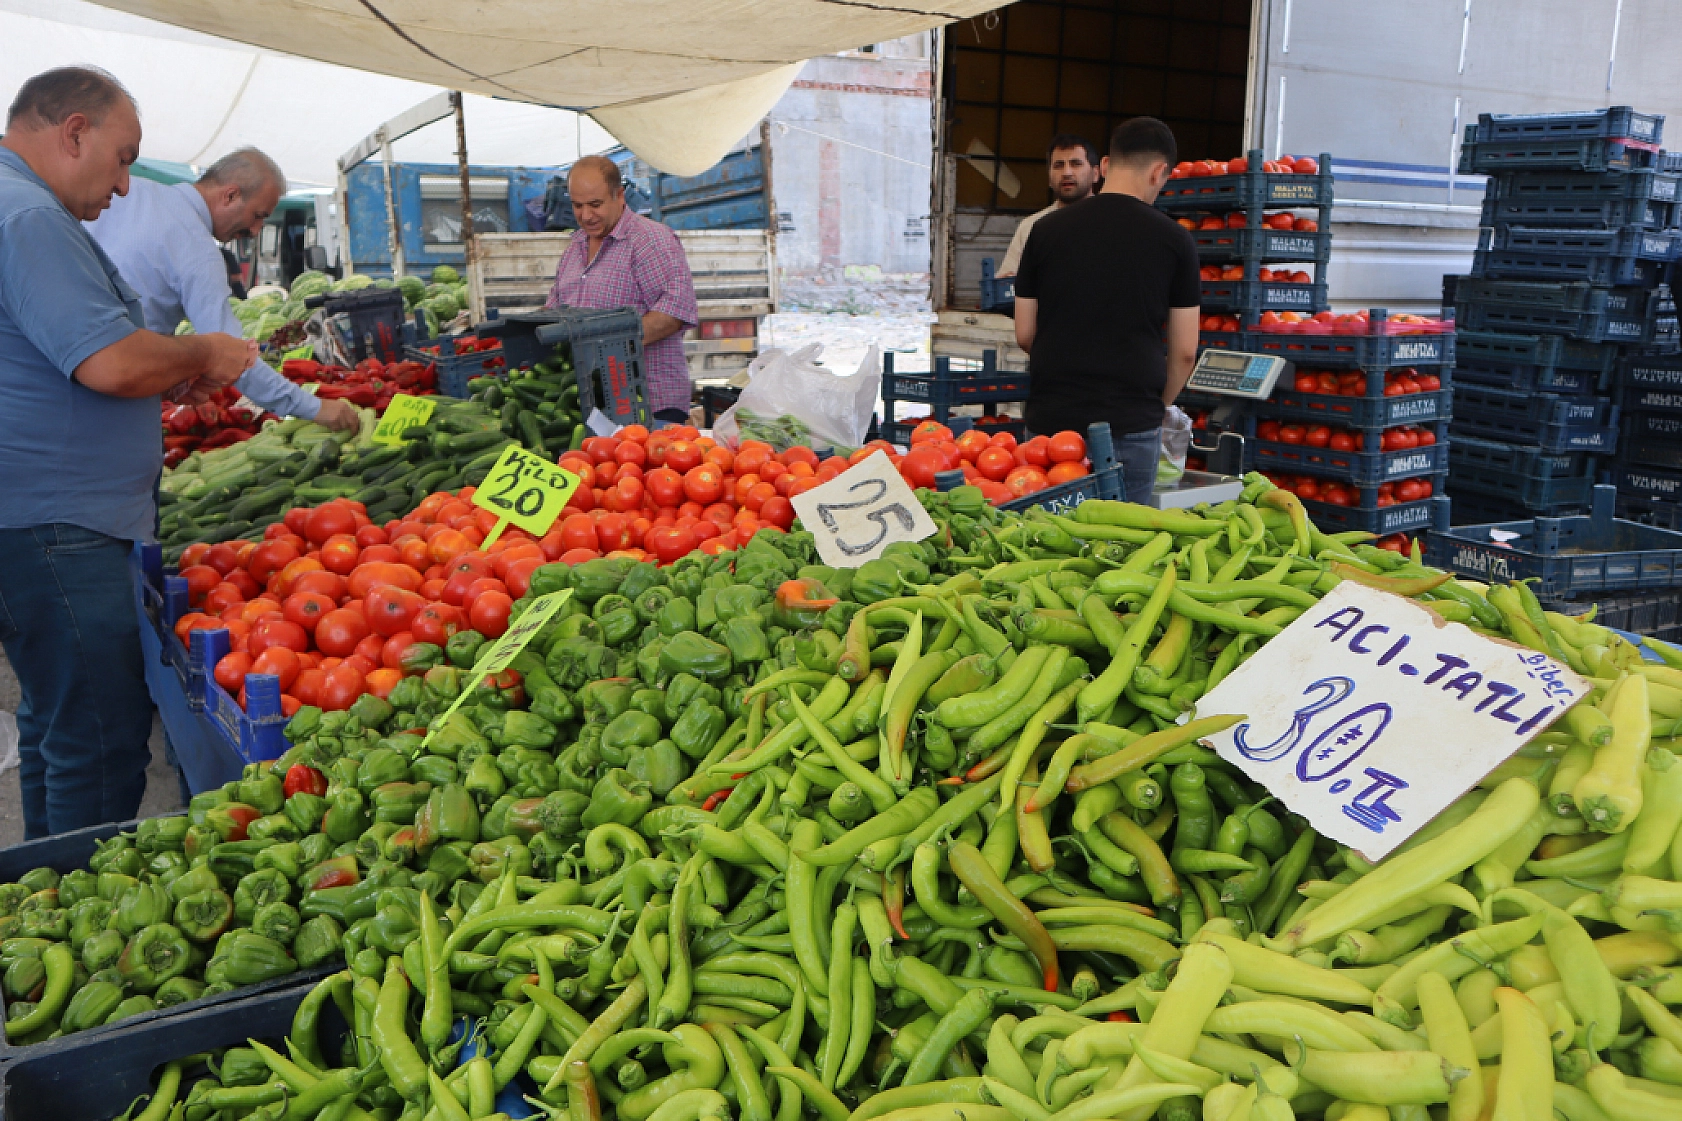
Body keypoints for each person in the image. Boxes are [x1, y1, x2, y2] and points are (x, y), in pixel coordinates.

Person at [0, 67, 257, 837]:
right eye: (121, 158)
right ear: (73, 130)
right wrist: (204, 350)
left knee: (55, 726)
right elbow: (107, 360)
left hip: (39, 522)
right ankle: (80, 915)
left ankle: (41, 893)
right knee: (101, 740)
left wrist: (167, 379)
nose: (122, 186)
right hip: (59, 528)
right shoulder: (28, 218)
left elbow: (66, 360)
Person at [88, 147, 358, 432]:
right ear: (230, 195)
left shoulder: (130, 193)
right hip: (107, 402)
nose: (255, 231)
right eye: (258, 216)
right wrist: (315, 407)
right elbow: (234, 356)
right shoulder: (197, 249)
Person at [1013, 117, 1200, 505]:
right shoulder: (1175, 240)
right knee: (1121, 544)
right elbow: (1184, 351)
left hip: (1053, 418)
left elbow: (1025, 333)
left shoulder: (1044, 230)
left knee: (1042, 541)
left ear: (1106, 166)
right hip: (1131, 419)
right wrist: (1154, 406)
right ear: (1159, 171)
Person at [546, 155, 699, 423]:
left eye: (595, 205)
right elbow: (554, 312)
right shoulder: (575, 246)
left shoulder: (651, 240)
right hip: (593, 407)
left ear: (619, 196)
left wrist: (605, 348)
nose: (585, 215)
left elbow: (673, 312)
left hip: (650, 406)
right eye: (577, 205)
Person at [996, 134, 1100, 278]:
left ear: (1096, 173)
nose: (1066, 173)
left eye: (1076, 164)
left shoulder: (1111, 222)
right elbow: (1007, 281)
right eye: (1058, 165)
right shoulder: (1031, 226)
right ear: (1049, 178)